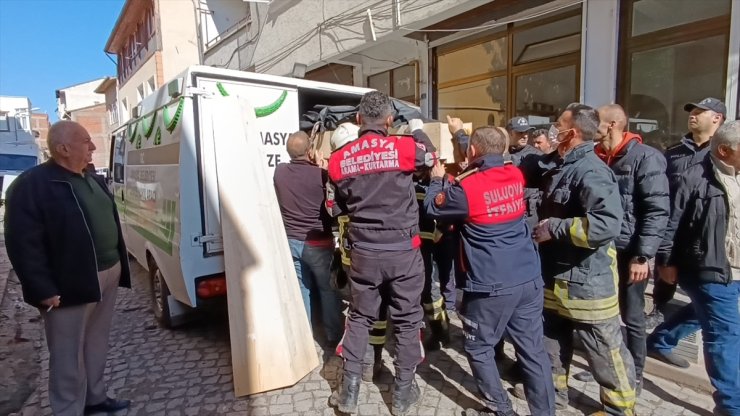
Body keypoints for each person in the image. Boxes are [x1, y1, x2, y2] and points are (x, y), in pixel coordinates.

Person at [425, 126, 555, 416]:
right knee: (532, 352)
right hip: (527, 276)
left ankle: (502, 410)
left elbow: (433, 208)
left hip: (490, 284)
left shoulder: (467, 187)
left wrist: (436, 181)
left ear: (473, 151)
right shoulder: (515, 174)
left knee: (479, 348)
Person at [4, 120, 132, 416]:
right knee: (67, 354)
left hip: (107, 273)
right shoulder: (32, 185)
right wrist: (42, 289)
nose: (93, 147)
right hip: (68, 283)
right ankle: (68, 409)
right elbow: (23, 244)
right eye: (86, 142)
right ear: (63, 149)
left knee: (96, 341)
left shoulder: (90, 177)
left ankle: (95, 400)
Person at [326, 91, 436, 416]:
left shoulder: (339, 159)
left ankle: (348, 393)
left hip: (363, 253)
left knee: (359, 318)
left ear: (359, 120)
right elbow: (429, 158)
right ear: (389, 121)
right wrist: (416, 129)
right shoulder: (404, 148)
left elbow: (334, 208)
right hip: (404, 252)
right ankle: (402, 395)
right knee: (405, 321)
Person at [525, 104, 636, 415]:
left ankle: (619, 408)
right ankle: (554, 393)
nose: (552, 129)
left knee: (604, 350)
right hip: (554, 276)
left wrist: (555, 228)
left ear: (571, 132)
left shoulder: (592, 171)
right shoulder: (559, 165)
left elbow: (606, 224)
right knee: (552, 343)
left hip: (587, 282)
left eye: (558, 124)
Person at [570, 104, 669, 393]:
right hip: (602, 251)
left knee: (633, 316)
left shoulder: (646, 158)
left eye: (596, 121)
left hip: (630, 253)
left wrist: (643, 255)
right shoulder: (597, 156)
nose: (591, 125)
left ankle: (635, 374)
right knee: (604, 315)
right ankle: (608, 368)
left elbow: (656, 210)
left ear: (612, 124)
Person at [654, 120, 740, 415]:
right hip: (708, 267)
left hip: (736, 266)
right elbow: (670, 223)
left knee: (703, 311)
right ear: (726, 150)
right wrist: (665, 261)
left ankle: (661, 340)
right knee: (725, 332)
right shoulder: (693, 178)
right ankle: (732, 405)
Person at [646, 98, 727, 368]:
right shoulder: (674, 153)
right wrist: (665, 255)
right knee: (702, 304)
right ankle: (656, 338)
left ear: (717, 118)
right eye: (691, 112)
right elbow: (666, 203)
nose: (692, 116)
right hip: (674, 241)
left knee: (712, 305)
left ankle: (661, 340)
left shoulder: (724, 155)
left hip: (714, 247)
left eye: (699, 112)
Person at [329, 122, 388, 382]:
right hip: (375, 248)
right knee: (377, 307)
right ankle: (372, 360)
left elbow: (332, 209)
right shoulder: (376, 164)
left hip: (352, 252)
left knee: (361, 308)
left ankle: (363, 364)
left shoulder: (336, 171)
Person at [273, 131, 343, 347]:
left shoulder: (280, 172)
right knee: (327, 289)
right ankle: (333, 335)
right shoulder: (320, 176)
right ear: (310, 150)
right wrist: (322, 167)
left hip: (291, 240)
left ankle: (305, 334)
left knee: (302, 288)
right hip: (318, 242)